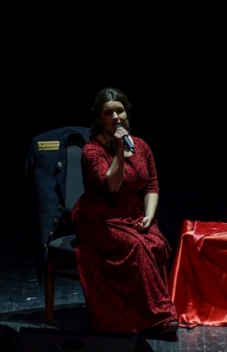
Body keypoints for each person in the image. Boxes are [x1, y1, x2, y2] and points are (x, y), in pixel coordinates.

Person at [72, 87, 179, 334]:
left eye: (119, 111)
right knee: (137, 247)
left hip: (133, 213)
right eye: (108, 113)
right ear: (99, 118)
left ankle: (141, 311)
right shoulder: (92, 151)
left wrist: (149, 216)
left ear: (126, 112)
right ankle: (160, 315)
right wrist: (119, 148)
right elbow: (112, 185)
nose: (115, 117)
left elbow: (151, 185)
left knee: (157, 243)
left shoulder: (141, 146)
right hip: (99, 217)